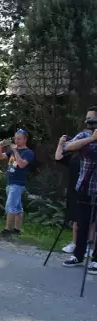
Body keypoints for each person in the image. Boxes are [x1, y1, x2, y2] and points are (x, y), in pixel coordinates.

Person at [62, 107, 97, 274]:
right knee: (82, 224)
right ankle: (78, 255)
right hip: (84, 187)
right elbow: (68, 147)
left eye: (93, 121)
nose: (89, 123)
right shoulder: (85, 135)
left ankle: (96, 260)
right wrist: (92, 138)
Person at [0, 129, 35, 236]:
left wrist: (16, 151)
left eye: (19, 139)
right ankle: (17, 230)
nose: (16, 141)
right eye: (15, 138)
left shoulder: (28, 152)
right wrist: (0, 146)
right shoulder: (11, 151)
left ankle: (7, 230)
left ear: (25, 139)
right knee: (17, 207)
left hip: (18, 183)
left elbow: (22, 164)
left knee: (10, 205)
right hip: (10, 181)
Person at [56, 135, 81, 253]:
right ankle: (75, 243)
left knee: (91, 221)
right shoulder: (74, 155)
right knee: (76, 218)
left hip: (90, 190)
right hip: (74, 191)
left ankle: (90, 248)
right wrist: (61, 144)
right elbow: (58, 158)